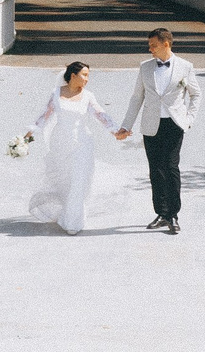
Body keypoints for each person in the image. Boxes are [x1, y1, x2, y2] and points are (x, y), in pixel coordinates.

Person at [24, 60, 127, 234]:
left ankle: (72, 222)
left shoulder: (88, 96)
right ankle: (67, 211)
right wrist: (28, 135)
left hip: (82, 143)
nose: (87, 79)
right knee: (65, 181)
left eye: (88, 76)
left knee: (80, 180)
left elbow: (101, 115)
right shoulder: (56, 93)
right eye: (84, 75)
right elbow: (44, 116)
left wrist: (116, 131)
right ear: (73, 75)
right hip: (60, 144)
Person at [117, 25, 199, 235]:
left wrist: (189, 119)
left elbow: (196, 94)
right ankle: (161, 213)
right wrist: (126, 125)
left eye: (153, 45)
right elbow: (137, 98)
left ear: (166, 44)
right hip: (151, 125)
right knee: (156, 170)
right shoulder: (145, 67)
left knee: (171, 167)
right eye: (149, 45)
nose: (150, 49)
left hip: (174, 124)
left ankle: (173, 214)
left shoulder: (185, 66)